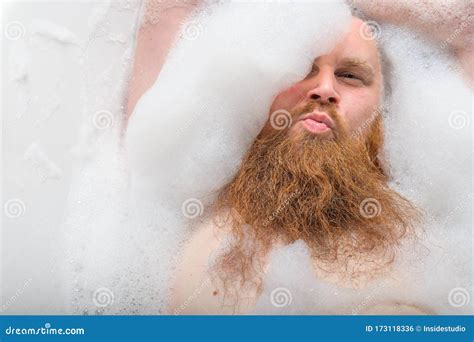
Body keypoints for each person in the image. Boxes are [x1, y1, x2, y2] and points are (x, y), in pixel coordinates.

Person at [126, 1, 472, 314]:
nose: (324, 89)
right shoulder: (178, 176)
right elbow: (171, 6)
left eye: (350, 76)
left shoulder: (431, 216)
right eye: (302, 68)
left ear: (383, 117)